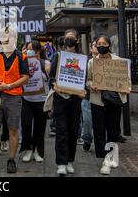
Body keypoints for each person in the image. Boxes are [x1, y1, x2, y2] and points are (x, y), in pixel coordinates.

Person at [0, 27, 29, 176]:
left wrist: (10, 85)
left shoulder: (21, 56)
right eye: (4, 37)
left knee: (13, 129)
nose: (6, 39)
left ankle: (11, 159)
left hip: (14, 96)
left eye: (8, 37)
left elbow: (25, 77)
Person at [86, 35, 128, 175]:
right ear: (96, 46)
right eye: (99, 44)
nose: (101, 46)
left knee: (112, 130)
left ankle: (110, 157)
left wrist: (125, 88)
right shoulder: (92, 62)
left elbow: (126, 79)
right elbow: (88, 80)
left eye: (104, 43)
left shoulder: (119, 62)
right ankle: (105, 158)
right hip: (97, 100)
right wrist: (92, 86)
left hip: (114, 100)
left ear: (109, 45)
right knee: (99, 130)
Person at [48, 29, 84, 176]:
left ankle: (70, 160)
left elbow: (84, 79)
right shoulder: (57, 55)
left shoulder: (82, 58)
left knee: (73, 131)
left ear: (77, 40)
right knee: (61, 131)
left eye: (72, 38)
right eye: (67, 37)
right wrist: (56, 86)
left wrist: (84, 89)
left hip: (75, 100)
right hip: (60, 99)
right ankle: (61, 163)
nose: (69, 40)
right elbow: (51, 77)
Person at [20, 41, 51, 163]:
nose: (29, 51)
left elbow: (49, 75)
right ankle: (28, 149)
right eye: (27, 49)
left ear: (38, 51)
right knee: (26, 124)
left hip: (41, 100)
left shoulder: (46, 63)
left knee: (40, 127)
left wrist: (38, 62)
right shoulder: (23, 62)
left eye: (31, 49)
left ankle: (38, 150)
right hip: (27, 100)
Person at [81, 39, 96, 152]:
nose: (97, 47)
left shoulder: (110, 61)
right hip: (88, 96)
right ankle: (87, 139)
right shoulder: (85, 61)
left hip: (103, 97)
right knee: (87, 121)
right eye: (95, 45)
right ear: (91, 48)